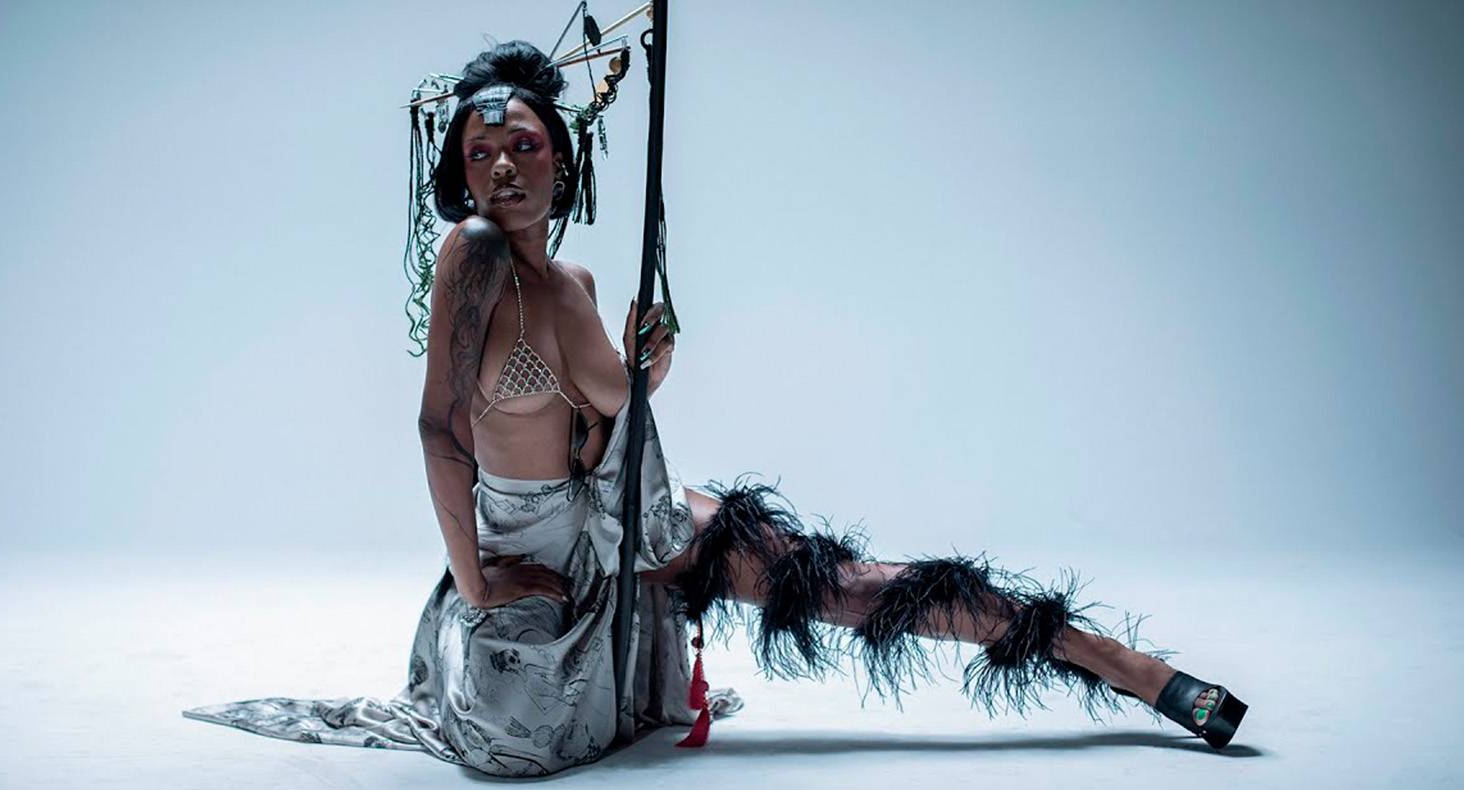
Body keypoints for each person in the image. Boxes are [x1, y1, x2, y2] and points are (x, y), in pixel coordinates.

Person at [183, 40, 1247, 778]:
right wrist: (474, 582)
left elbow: (605, 426)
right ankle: (1117, 667)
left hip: (627, 527)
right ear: (460, 175)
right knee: (520, 746)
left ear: (563, 159)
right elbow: (438, 429)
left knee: (848, 587)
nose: (502, 166)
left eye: (525, 147)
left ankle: (1129, 669)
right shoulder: (473, 259)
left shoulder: (577, 285)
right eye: (480, 154)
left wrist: (651, 367)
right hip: (534, 554)